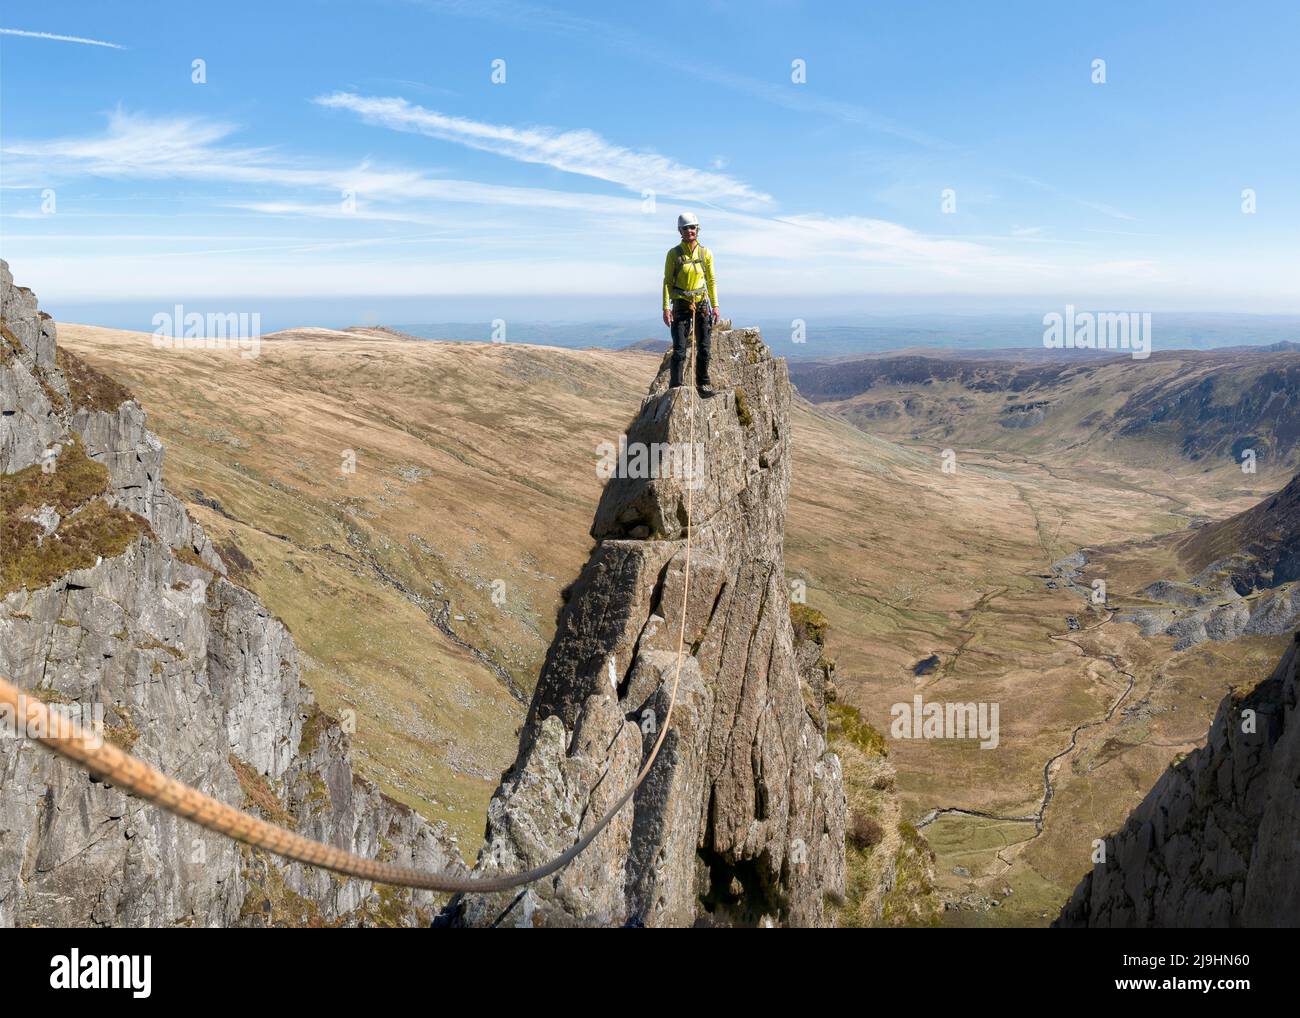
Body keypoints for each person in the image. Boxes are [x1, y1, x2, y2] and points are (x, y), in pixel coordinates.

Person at [662, 212, 720, 393]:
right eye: (685, 228)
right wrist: (666, 307)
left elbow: (711, 281)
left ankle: (702, 384)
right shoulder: (673, 254)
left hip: (701, 305)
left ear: (697, 229)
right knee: (679, 350)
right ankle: (676, 387)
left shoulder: (706, 253)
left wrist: (715, 305)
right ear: (680, 230)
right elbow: (667, 282)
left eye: (692, 227)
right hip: (680, 304)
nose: (689, 231)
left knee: (704, 348)